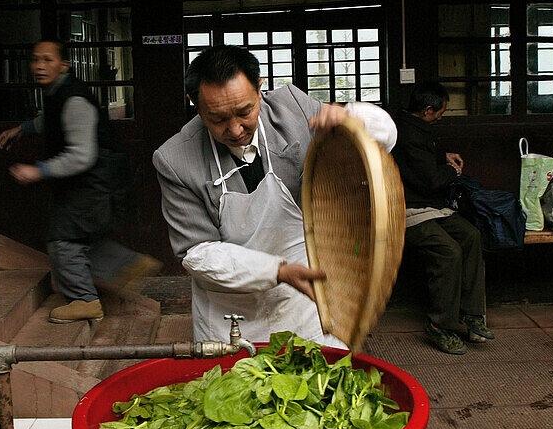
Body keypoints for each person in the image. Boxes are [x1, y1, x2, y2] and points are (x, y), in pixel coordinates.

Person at [152, 45, 397, 345]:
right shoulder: (175, 159)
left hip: (304, 294)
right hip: (229, 309)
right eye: (217, 119)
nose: (235, 129)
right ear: (195, 104)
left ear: (260, 90)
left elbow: (383, 139)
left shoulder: (292, 108)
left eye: (245, 111)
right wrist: (276, 271)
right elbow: (198, 254)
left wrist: (351, 118)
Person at [0, 40, 159, 323]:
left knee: (64, 240)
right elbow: (52, 120)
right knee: (81, 236)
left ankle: (84, 300)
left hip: (94, 181)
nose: (40, 66)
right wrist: (22, 130)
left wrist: (39, 170)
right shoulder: (61, 93)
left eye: (48, 60)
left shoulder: (74, 100)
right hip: (92, 182)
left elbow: (82, 156)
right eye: (35, 60)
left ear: (64, 65)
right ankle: (126, 264)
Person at [392, 81, 493, 355]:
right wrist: (454, 172)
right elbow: (429, 181)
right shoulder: (405, 135)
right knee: (448, 252)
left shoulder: (414, 126)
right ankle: (441, 325)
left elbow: (423, 158)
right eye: (439, 112)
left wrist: (442, 155)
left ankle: (472, 315)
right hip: (408, 210)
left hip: (429, 207)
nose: (440, 117)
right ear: (427, 110)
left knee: (471, 236)